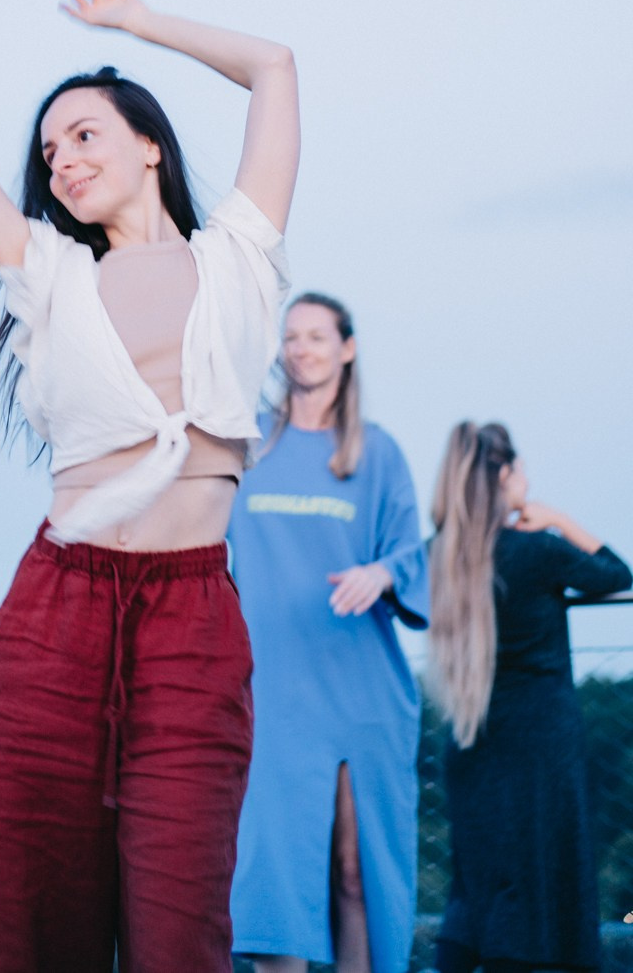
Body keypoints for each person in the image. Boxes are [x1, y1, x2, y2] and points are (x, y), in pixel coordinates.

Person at [0, 0, 299, 973]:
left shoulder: (242, 255)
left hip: (191, 621)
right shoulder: (48, 272)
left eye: (84, 134)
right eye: (48, 150)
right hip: (58, 615)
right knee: (29, 924)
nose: (62, 160)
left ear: (149, 145)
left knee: (179, 930)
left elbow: (273, 67)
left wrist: (135, 22)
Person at [228, 292, 429, 973]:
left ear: (347, 347)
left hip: (359, 690)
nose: (302, 349)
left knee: (354, 870)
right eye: (291, 337)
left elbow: (413, 552)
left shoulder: (376, 452)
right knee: (272, 879)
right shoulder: (247, 442)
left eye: (317, 336)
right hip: (267, 694)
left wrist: (383, 572)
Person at [428, 421, 632, 973]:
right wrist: (559, 520)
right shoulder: (539, 551)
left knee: (474, 889)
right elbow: (617, 573)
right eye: (519, 470)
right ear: (502, 475)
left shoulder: (443, 556)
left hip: (471, 742)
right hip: (540, 746)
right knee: (533, 888)